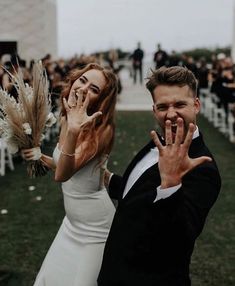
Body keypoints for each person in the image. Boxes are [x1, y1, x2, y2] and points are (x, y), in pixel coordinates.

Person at [98, 66, 221, 286]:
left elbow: (180, 238)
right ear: (154, 110)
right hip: (115, 270)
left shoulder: (204, 168)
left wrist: (171, 183)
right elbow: (138, 193)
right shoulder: (161, 140)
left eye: (180, 104)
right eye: (163, 106)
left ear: (196, 105)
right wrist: (107, 178)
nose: (171, 114)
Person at [21, 63, 118, 286]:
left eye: (94, 89)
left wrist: (74, 130)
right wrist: (39, 156)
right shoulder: (67, 117)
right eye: (82, 80)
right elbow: (64, 164)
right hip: (71, 223)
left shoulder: (103, 129)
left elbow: (63, 174)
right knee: (48, 279)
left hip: (95, 228)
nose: (83, 89)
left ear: (101, 99)